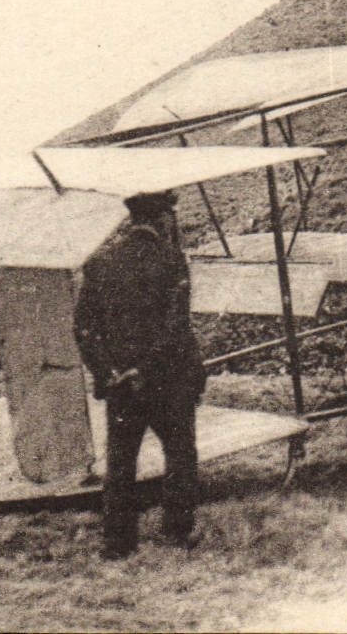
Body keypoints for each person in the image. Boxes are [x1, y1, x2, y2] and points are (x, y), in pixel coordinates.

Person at [74, 190, 207, 559]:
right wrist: (145, 368)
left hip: (120, 386)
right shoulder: (172, 260)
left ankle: (118, 543)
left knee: (120, 461)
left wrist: (108, 371)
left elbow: (83, 328)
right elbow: (175, 327)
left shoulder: (100, 263)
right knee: (179, 453)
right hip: (167, 381)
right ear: (163, 218)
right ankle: (176, 532)